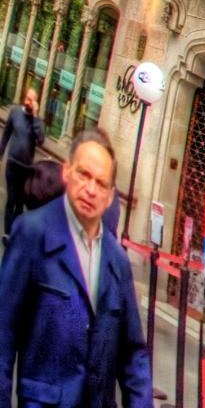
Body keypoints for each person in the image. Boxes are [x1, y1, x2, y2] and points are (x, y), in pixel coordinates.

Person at [0, 128, 149, 408]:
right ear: (67, 172)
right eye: (84, 175)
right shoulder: (32, 235)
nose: (91, 189)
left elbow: (133, 355)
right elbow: (2, 335)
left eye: (101, 183)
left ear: (109, 196)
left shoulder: (117, 260)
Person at [2, 88, 38, 232]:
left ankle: (16, 233)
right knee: (11, 200)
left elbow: (40, 139)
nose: (27, 101)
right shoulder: (15, 112)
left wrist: (35, 117)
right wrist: (0, 156)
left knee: (20, 202)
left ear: (35, 102)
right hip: (12, 163)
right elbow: (6, 134)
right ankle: (7, 234)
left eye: (31, 99)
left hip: (26, 168)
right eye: (27, 98)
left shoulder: (37, 121)